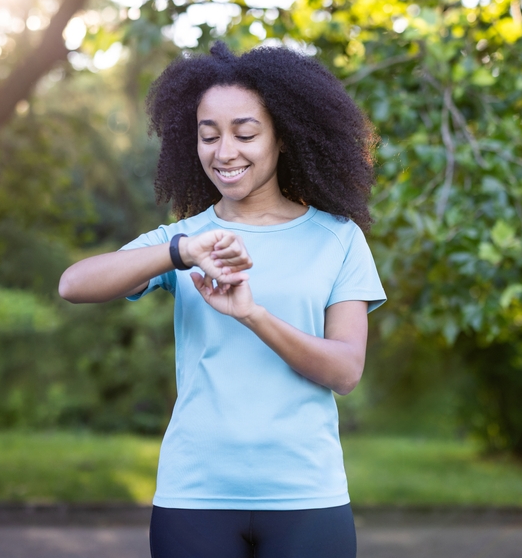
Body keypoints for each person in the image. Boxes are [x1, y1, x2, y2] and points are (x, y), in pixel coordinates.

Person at [58, 41, 386, 558]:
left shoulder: (338, 238)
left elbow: (345, 371)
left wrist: (253, 315)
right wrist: (180, 251)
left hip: (306, 494)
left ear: (283, 137)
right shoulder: (185, 240)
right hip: (193, 495)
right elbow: (74, 284)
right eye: (208, 136)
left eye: (245, 133)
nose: (224, 152)